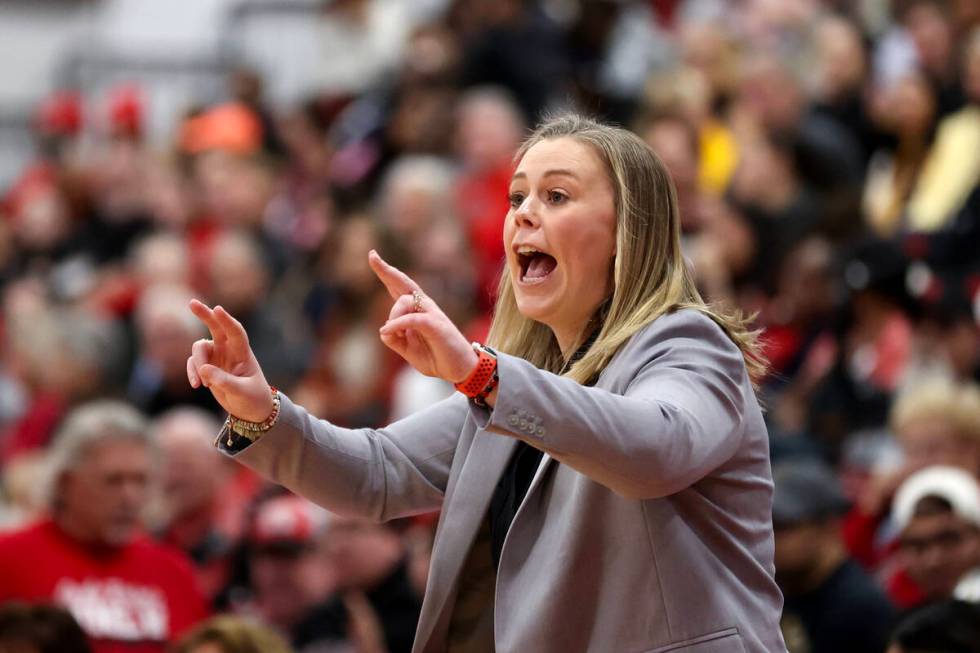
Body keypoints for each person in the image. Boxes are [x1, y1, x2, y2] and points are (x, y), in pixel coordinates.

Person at [187, 113, 787, 652]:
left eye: (557, 196)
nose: (524, 213)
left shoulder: (686, 343)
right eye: (517, 196)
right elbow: (377, 473)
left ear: (630, 232)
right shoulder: (521, 383)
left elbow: (656, 448)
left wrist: (482, 374)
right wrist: (261, 412)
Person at [0, 400, 209, 653]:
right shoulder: (9, 558)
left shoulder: (174, 571)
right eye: (113, 481)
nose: (130, 497)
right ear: (65, 482)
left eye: (140, 481)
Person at [771, 461, 897, 653]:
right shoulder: (781, 592)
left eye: (782, 527)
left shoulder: (861, 609)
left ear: (829, 526)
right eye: (765, 528)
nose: (770, 539)